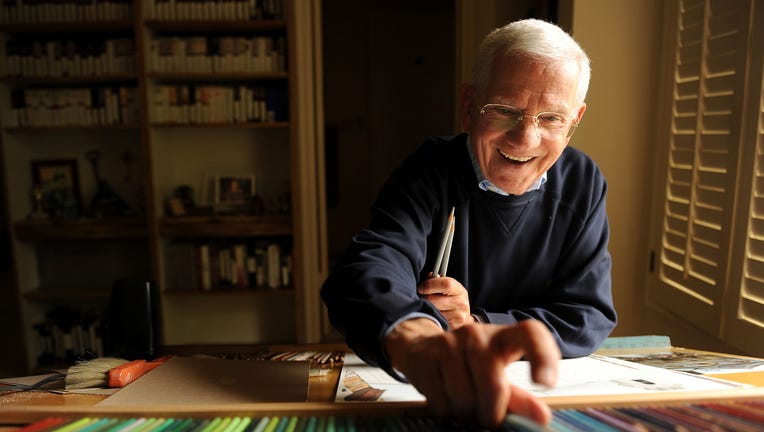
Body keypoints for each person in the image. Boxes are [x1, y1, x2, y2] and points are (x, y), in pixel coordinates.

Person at [321, 18, 617, 427]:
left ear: (575, 120)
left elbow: (588, 314)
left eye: (551, 118)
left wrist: (478, 324)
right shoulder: (431, 169)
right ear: (468, 105)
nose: (525, 139)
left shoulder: (583, 182)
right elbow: (366, 269)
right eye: (505, 110)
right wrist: (419, 338)